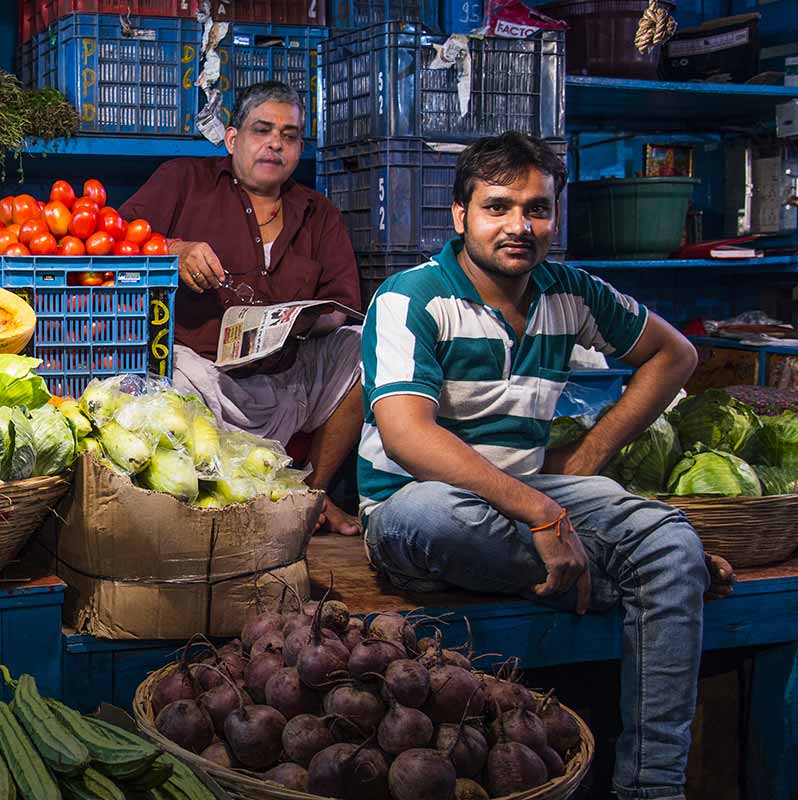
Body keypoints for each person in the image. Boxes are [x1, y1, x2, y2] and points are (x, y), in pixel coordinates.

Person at [357, 131, 737, 800]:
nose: (519, 227)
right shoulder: (409, 299)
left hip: (534, 497)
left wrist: (589, 458)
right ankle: (638, 579)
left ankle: (650, 788)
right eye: (498, 207)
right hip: (418, 509)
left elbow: (675, 355)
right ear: (459, 216)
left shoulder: (570, 294)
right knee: (434, 515)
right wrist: (542, 511)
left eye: (537, 209)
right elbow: (409, 437)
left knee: (673, 541)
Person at [117, 81, 365, 535]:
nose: (275, 143)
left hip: (289, 378)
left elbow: (344, 306)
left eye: (289, 136)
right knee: (152, 369)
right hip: (198, 380)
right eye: (262, 130)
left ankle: (314, 495)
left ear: (300, 147)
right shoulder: (184, 180)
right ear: (233, 139)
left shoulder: (319, 213)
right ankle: (202, 504)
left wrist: (306, 320)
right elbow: (114, 246)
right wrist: (174, 249)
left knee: (365, 348)